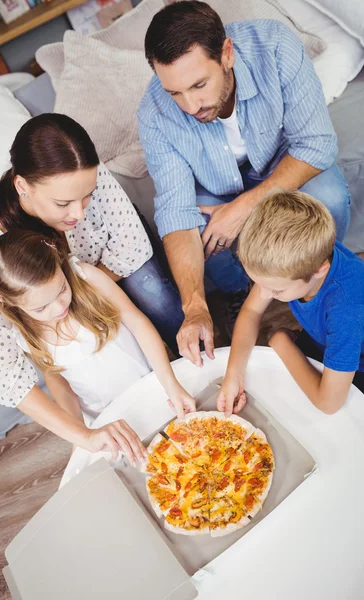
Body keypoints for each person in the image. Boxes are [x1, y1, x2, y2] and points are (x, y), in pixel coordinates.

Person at [138, 0, 351, 368]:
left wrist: (243, 208)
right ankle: (246, 291)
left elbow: (316, 144)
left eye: (199, 85)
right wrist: (195, 308)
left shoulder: (276, 47)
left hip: (282, 161)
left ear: (227, 53)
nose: (190, 105)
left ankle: (317, 282)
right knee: (205, 238)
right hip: (214, 187)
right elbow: (176, 212)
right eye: (176, 93)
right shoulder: (154, 113)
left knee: (329, 199)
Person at [0, 113, 184, 417]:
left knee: (157, 297)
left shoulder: (82, 172)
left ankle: (194, 364)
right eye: (63, 203)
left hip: (96, 273)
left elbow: (131, 247)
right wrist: (58, 300)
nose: (79, 215)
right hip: (62, 291)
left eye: (87, 197)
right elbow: (0, 346)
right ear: (22, 186)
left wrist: (85, 288)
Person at [0, 230, 196, 463]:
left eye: (62, 289)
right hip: (107, 416)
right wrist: (78, 434)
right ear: (7, 302)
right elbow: (57, 380)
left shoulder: (86, 277)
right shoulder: (24, 334)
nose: (58, 308)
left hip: (153, 384)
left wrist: (170, 383)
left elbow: (138, 322)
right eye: (41, 309)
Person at [217, 191, 364, 417]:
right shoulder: (301, 257)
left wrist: (279, 340)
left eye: (276, 290)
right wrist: (233, 375)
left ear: (318, 270)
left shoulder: (345, 310)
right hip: (325, 339)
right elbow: (251, 310)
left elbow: (329, 403)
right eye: (257, 283)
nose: (264, 294)